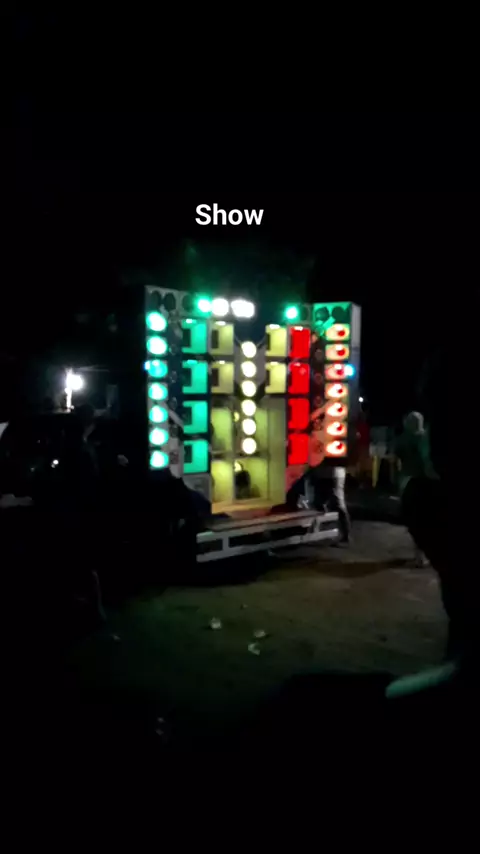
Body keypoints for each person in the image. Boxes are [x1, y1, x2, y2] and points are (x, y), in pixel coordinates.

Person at [395, 410, 434, 567]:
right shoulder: (424, 438)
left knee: (414, 520)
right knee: (425, 521)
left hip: (407, 481)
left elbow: (396, 456)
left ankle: (419, 556)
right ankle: (423, 555)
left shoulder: (403, 439)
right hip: (425, 483)